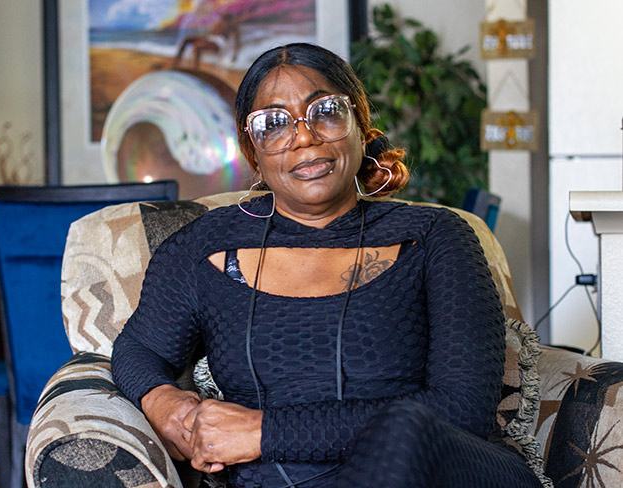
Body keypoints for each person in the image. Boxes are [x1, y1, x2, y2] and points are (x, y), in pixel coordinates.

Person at [112, 43, 543, 488]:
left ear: (360, 125)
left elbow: (463, 408)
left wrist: (265, 433)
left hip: (443, 473)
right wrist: (163, 402)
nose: (304, 137)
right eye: (273, 124)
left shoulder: (434, 235)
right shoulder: (205, 245)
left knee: (404, 430)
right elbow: (139, 349)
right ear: (252, 150)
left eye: (326, 111)